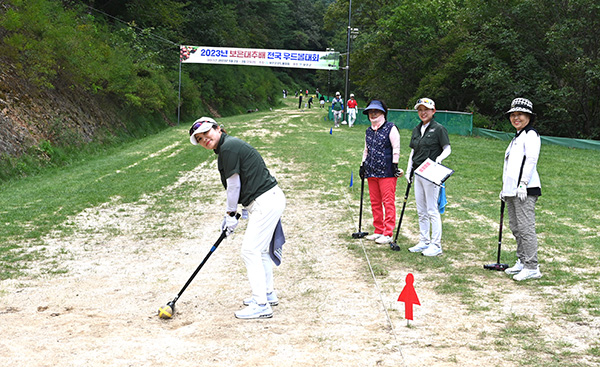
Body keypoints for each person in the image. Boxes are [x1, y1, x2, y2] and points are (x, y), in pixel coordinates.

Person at [189, 117, 286, 319]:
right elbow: (243, 179)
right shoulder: (227, 147)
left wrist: (231, 213)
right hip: (267, 199)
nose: (204, 140)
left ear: (217, 129)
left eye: (206, 133)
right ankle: (267, 294)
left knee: (250, 251)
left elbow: (234, 185)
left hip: (265, 201)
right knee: (259, 252)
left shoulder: (228, 148)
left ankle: (261, 305)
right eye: (199, 139)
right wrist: (236, 211)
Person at [500, 98, 543, 281]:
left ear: (529, 116)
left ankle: (532, 266)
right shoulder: (517, 136)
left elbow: (531, 160)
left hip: (525, 189)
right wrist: (504, 189)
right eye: (513, 114)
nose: (516, 118)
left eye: (520, 114)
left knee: (526, 228)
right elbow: (510, 166)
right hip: (511, 190)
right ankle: (522, 260)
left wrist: (523, 183)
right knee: (516, 227)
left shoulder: (531, 134)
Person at [406, 98, 451, 257]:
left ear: (433, 111)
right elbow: (413, 151)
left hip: (431, 173)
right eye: (420, 110)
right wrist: (408, 169)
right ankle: (424, 240)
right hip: (418, 172)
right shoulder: (416, 129)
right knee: (421, 210)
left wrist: (439, 159)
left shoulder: (439, 129)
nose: (423, 113)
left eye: (426, 109)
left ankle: (435, 244)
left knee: (432, 209)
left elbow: (447, 148)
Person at [359, 99, 403, 245]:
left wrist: (395, 165)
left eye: (376, 111)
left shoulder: (391, 128)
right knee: (375, 202)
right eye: (370, 112)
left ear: (383, 112)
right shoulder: (368, 131)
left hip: (387, 172)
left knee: (388, 202)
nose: (373, 114)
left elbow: (396, 148)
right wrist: (362, 165)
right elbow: (366, 150)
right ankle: (378, 230)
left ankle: (388, 232)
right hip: (371, 171)